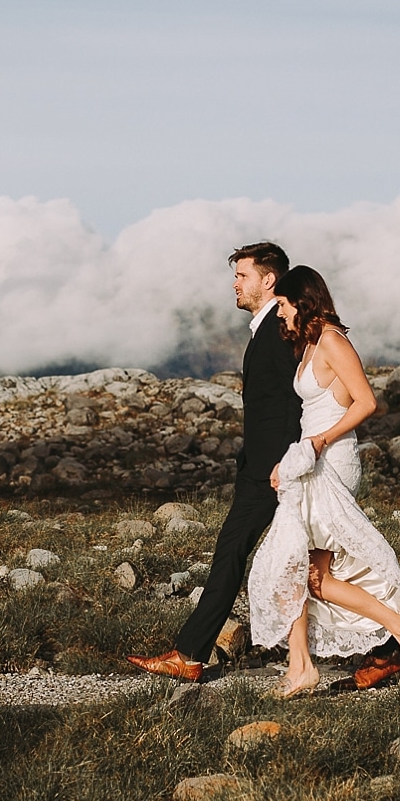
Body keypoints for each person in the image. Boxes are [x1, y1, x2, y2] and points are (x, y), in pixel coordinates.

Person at [248, 266, 400, 698]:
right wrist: (293, 457)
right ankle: (318, 659)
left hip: (330, 462)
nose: (280, 314)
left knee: (296, 567)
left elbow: (367, 402)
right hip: (309, 460)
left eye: (285, 305)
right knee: (304, 572)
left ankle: (315, 662)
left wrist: (317, 443)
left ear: (302, 301)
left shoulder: (331, 340)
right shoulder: (310, 343)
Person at [126, 242, 303, 683]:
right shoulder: (266, 329)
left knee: (234, 554)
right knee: (317, 556)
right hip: (264, 466)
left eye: (242, 276)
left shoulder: (277, 332)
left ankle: (189, 654)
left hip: (274, 470)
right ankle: (392, 640)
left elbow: (292, 403)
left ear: (268, 280)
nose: (235, 284)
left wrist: (285, 462)